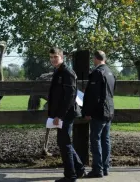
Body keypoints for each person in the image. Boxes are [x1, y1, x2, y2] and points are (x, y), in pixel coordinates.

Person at [47, 47, 87, 182]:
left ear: (62, 57)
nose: (53, 60)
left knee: (64, 143)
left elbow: (70, 96)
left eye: (55, 57)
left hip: (66, 114)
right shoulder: (58, 72)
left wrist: (60, 115)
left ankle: (70, 176)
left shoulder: (67, 73)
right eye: (51, 57)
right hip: (61, 114)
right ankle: (79, 169)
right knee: (64, 142)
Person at [82, 50, 116, 178]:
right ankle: (105, 167)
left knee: (95, 139)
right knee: (105, 139)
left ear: (95, 59)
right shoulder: (111, 73)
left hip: (99, 111)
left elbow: (93, 96)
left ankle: (97, 169)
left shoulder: (97, 73)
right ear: (104, 59)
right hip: (109, 110)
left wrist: (87, 111)